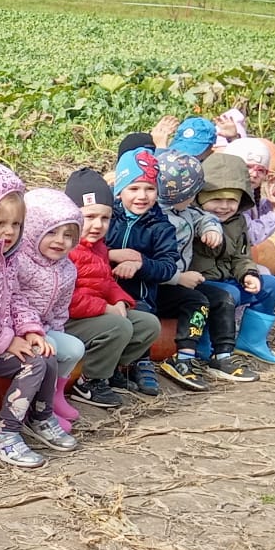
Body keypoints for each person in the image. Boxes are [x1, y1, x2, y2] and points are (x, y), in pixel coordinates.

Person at [0, 162, 57, 467]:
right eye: (0, 223)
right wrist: (6, 340)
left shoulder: (7, 259)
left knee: (47, 354)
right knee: (32, 363)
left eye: (16, 225)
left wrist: (30, 328)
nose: (8, 231)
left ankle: (41, 416)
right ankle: (4, 435)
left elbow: (15, 298)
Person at [63, 167, 162, 408]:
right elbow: (67, 299)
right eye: (89, 217)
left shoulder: (98, 247)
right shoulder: (64, 249)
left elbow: (107, 282)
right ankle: (88, 381)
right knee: (118, 326)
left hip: (96, 314)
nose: (97, 225)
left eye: (104, 218)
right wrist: (105, 309)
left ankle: (111, 368)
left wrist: (119, 300)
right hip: (70, 319)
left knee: (148, 324)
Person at [103, 147, 181, 399]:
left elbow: (169, 266)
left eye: (149, 189)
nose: (142, 196)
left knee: (145, 321)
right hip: (102, 292)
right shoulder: (107, 218)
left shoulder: (160, 226)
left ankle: (140, 361)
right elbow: (88, 248)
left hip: (140, 297)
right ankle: (111, 367)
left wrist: (142, 265)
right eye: (134, 188)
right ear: (120, 190)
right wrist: (112, 255)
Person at [189, 150, 272, 381]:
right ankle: (207, 343)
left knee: (270, 285)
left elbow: (241, 256)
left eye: (232, 200)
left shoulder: (238, 222)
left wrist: (248, 273)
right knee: (229, 293)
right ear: (201, 197)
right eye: (216, 199)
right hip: (202, 281)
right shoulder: (193, 220)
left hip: (228, 277)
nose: (224, 206)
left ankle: (250, 341)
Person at [15, 187, 86, 449]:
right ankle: (38, 409)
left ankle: (55, 394)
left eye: (68, 235)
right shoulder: (20, 261)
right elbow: (12, 300)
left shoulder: (68, 268)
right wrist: (28, 330)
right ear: (33, 230)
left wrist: (57, 330)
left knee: (74, 347)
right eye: (52, 232)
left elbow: (60, 309)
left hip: (44, 329)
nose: (60, 241)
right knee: (50, 352)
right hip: (18, 331)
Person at [151, 152, 215, 391]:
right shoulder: (158, 221)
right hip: (159, 285)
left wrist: (211, 228)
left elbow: (202, 218)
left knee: (220, 298)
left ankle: (219, 353)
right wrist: (179, 277)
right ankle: (183, 359)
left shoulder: (185, 211)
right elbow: (151, 263)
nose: (195, 199)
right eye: (193, 194)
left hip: (178, 280)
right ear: (181, 195)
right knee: (198, 302)